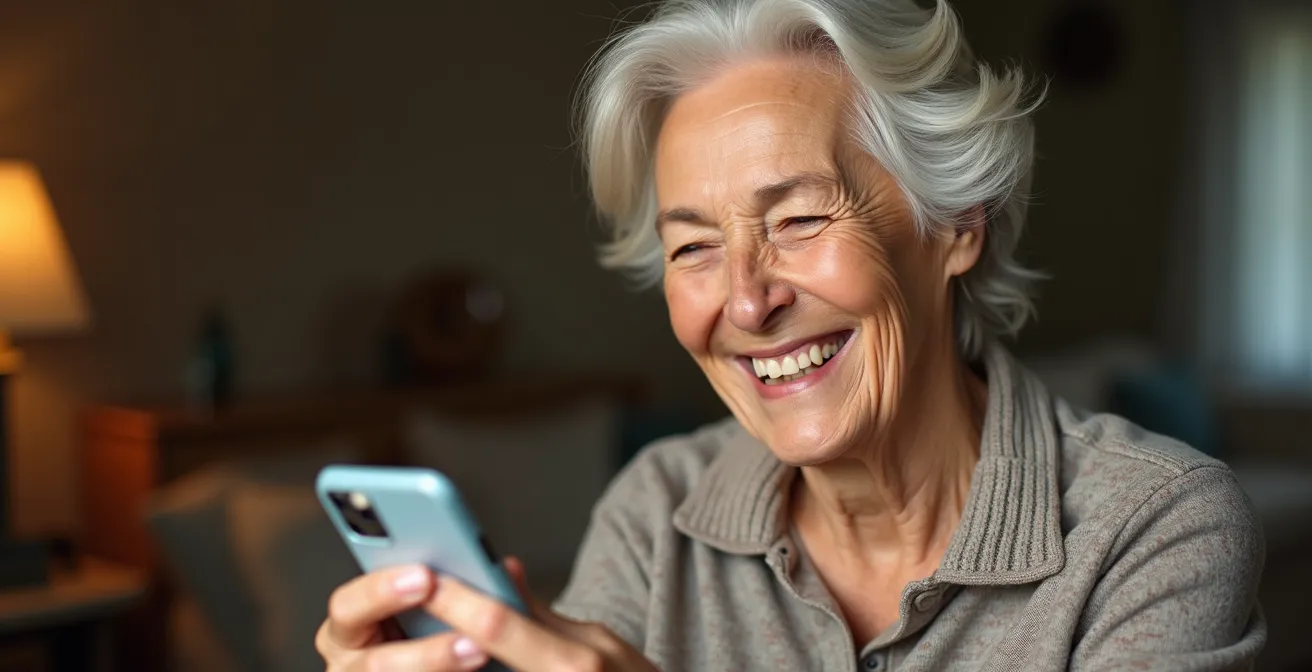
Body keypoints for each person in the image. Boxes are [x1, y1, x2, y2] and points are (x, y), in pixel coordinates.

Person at [315, 0, 1266, 669]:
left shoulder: (1153, 526)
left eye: (800, 220)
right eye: (693, 247)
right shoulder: (657, 513)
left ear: (957, 226)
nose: (744, 301)